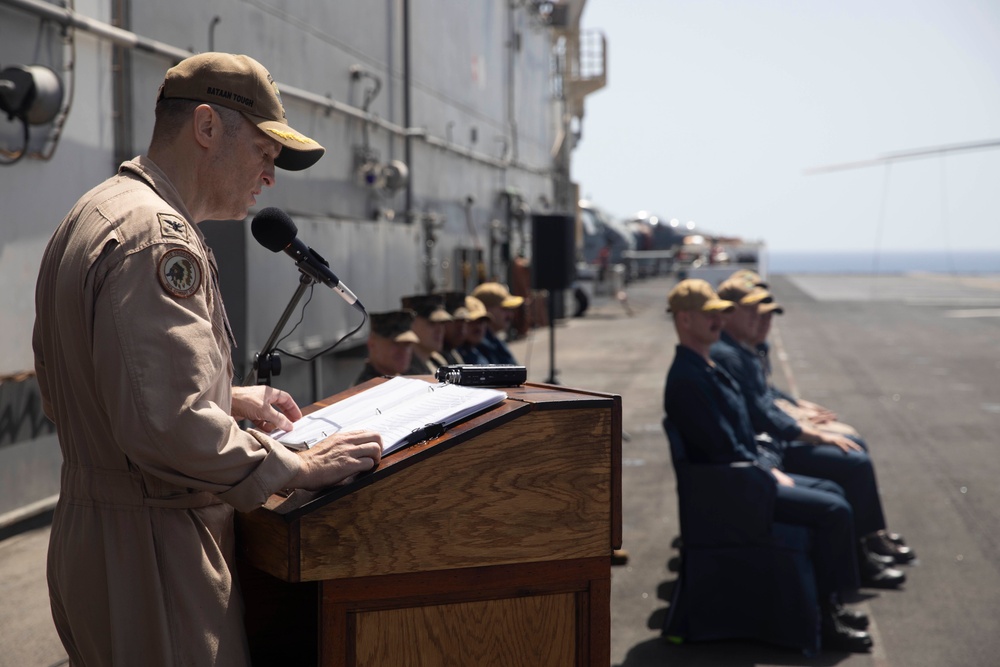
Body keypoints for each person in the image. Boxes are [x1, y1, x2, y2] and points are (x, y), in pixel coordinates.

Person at [32, 52, 384, 666]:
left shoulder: (95, 212)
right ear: (206, 127)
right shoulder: (157, 237)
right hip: (153, 551)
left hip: (96, 533)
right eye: (265, 154)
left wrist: (228, 398)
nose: (268, 177)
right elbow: (172, 429)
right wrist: (296, 465)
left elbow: (89, 386)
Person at [663, 279, 873, 652]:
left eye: (719, 313)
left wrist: (763, 465)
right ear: (684, 320)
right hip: (734, 494)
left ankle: (829, 604)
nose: (718, 321)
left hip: (746, 479)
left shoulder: (706, 367)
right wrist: (764, 469)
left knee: (833, 492)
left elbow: (740, 430)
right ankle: (825, 617)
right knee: (833, 509)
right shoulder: (688, 379)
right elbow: (723, 449)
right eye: (709, 314)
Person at [711, 277, 911, 582]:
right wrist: (811, 432)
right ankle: (857, 560)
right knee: (852, 465)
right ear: (726, 313)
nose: (760, 319)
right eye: (751, 311)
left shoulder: (742, 350)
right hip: (769, 451)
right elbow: (760, 413)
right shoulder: (729, 355)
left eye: (762, 313)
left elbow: (766, 396)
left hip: (770, 446)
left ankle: (865, 543)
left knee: (850, 452)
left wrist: (798, 408)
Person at [353, 310, 420, 385]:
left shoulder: (400, 379)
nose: (404, 351)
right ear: (372, 344)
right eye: (396, 344)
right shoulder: (367, 389)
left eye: (407, 344)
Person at [470, 282, 523, 364]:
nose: (510, 315)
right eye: (505, 309)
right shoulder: (477, 343)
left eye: (511, 310)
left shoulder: (495, 341)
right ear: (486, 310)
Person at [401, 293, 452, 375]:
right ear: (411, 324)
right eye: (432, 323)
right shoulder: (404, 368)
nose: (440, 330)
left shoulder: (437, 361)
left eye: (442, 323)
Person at [456, 295, 492, 365]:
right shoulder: (455, 354)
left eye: (482, 321)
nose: (479, 327)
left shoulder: (479, 351)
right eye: (473, 321)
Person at [439, 291, 470, 365]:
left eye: (464, 321)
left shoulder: (454, 353)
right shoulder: (436, 355)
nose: (461, 327)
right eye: (455, 321)